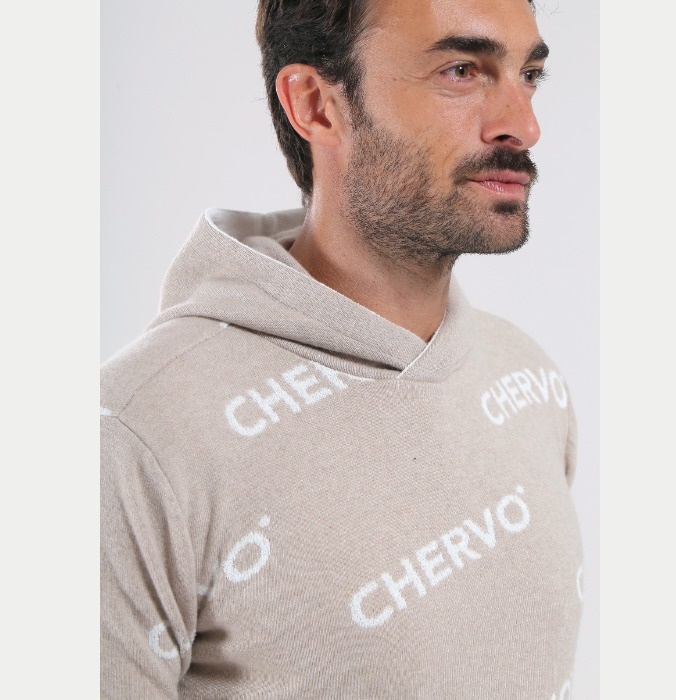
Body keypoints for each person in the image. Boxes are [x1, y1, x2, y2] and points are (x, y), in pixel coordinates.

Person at [100, 0, 583, 697]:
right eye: (461, 70)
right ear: (316, 105)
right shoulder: (136, 433)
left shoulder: (525, 378)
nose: (524, 125)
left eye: (528, 74)